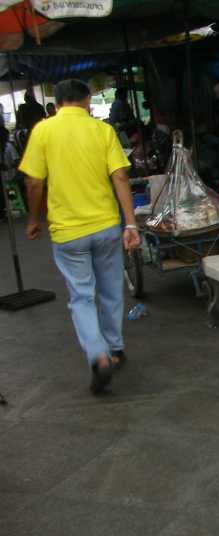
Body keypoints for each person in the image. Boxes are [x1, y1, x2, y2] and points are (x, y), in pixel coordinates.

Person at [19, 79, 141, 394]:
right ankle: (115, 348)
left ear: (58, 102)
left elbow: (34, 182)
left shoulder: (42, 131)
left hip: (68, 232)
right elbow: (120, 176)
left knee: (82, 297)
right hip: (106, 227)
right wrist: (131, 224)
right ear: (87, 100)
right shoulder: (102, 131)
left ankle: (98, 354)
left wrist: (33, 220)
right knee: (111, 290)